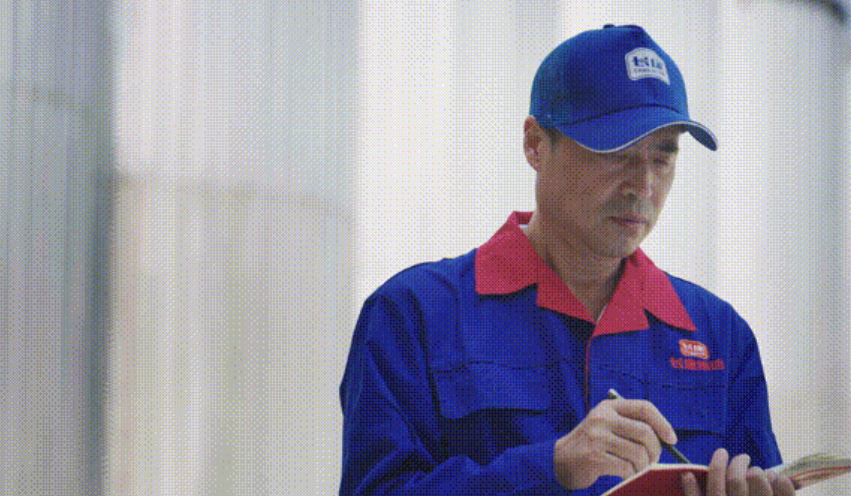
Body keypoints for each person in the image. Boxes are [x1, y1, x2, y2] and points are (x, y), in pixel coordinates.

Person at [339, 25, 795, 496]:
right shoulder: (414, 315)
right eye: (616, 152)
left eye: (661, 159)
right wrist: (550, 469)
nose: (643, 186)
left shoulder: (720, 338)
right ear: (536, 144)